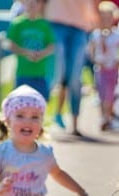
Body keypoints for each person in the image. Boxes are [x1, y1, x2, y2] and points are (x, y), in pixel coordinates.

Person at [46, 0, 99, 135]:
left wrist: (97, 21)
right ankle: (39, 118)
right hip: (56, 23)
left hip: (79, 27)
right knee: (57, 74)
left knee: (75, 78)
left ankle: (74, 125)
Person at [6, 0, 57, 101]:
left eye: (35, 3)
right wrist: (26, 53)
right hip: (22, 73)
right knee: (20, 101)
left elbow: (52, 45)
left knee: (41, 102)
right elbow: (10, 45)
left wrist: (41, 54)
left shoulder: (45, 24)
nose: (32, 6)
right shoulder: (17, 24)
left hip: (41, 73)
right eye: (28, 2)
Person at [88, 1, 119, 131]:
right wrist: (95, 60)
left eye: (108, 18)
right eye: (103, 18)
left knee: (110, 93)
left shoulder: (117, 35)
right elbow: (91, 50)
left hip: (112, 69)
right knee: (101, 94)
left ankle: (107, 118)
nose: (106, 21)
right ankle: (104, 116)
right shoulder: (96, 35)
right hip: (100, 69)